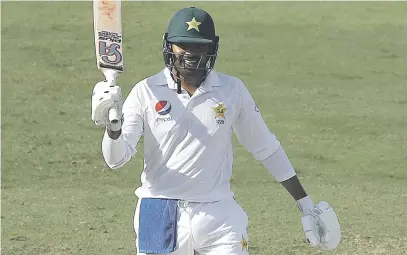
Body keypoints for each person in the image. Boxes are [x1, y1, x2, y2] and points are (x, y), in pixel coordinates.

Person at [91, 6, 341, 255]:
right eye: (183, 46)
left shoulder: (232, 90)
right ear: (169, 46)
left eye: (199, 46)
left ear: (212, 48)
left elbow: (266, 147)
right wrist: (113, 128)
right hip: (159, 210)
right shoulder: (145, 91)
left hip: (218, 213)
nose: (190, 54)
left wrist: (305, 204)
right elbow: (116, 159)